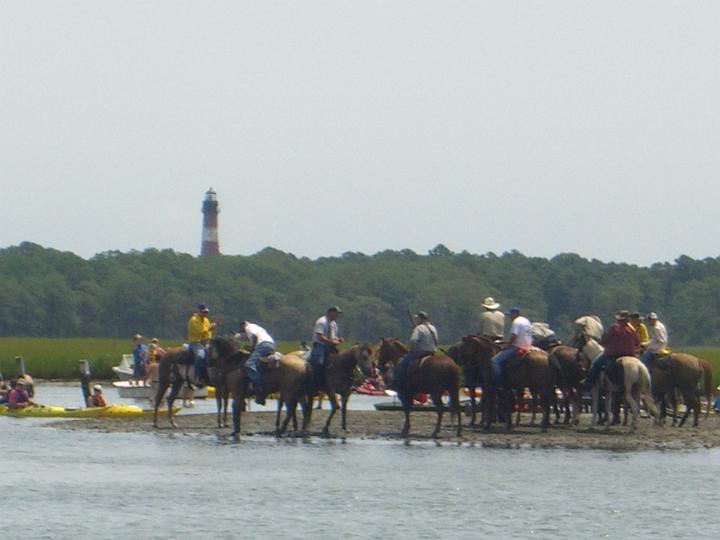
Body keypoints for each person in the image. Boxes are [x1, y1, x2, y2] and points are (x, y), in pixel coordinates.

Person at [583, 310, 640, 388]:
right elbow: (637, 342)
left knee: (596, 364)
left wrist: (602, 343)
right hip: (630, 354)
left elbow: (606, 340)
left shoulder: (614, 327)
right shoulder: (631, 329)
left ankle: (588, 384)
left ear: (619, 319)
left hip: (613, 354)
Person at [393, 311, 438, 392]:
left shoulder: (418, 328)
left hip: (420, 353)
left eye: (417, 318)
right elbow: (436, 340)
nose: (416, 320)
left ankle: (399, 385)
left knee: (401, 365)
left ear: (421, 319)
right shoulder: (433, 328)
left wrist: (411, 349)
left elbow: (414, 341)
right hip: (432, 352)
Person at [490, 307, 533, 387]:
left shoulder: (516, 322)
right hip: (529, 346)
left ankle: (499, 383)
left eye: (511, 315)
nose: (510, 317)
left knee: (494, 361)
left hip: (518, 346)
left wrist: (508, 346)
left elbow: (514, 336)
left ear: (515, 314)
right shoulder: (526, 320)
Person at [236, 320, 276, 405]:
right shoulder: (258, 327)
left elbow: (254, 336)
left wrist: (252, 347)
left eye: (242, 330)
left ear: (243, 325)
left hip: (262, 345)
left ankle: (259, 385)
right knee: (257, 363)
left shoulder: (248, 327)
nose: (243, 331)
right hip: (271, 344)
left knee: (249, 364)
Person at [309, 306, 344, 386]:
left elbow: (333, 337)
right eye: (336, 313)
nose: (337, 316)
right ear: (331, 313)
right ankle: (316, 381)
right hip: (320, 346)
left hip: (330, 347)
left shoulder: (333, 324)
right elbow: (319, 336)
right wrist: (330, 342)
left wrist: (338, 340)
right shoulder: (322, 322)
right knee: (320, 363)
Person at [187, 304, 219, 387]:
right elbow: (199, 332)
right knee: (200, 356)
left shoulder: (206, 320)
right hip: (196, 343)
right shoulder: (193, 320)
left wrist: (213, 328)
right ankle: (196, 377)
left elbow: (208, 333)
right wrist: (210, 327)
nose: (205, 314)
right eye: (204, 312)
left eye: (207, 312)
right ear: (198, 311)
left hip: (206, 342)